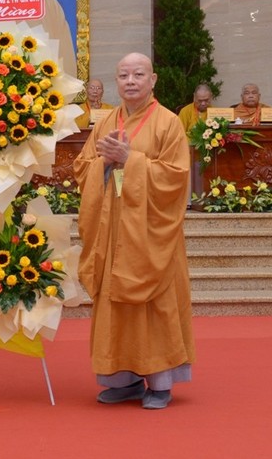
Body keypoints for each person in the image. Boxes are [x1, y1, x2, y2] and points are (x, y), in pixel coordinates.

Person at [73, 52, 195, 411]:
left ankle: (159, 382)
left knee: (155, 304)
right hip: (113, 231)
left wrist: (131, 161)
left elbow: (176, 178)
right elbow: (83, 168)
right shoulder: (106, 120)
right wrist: (106, 163)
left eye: (138, 74)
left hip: (152, 233)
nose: (130, 81)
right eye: (123, 75)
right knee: (116, 302)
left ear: (153, 80)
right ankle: (122, 379)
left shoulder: (169, 123)